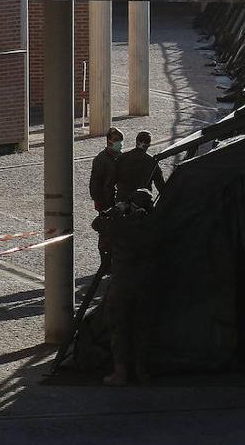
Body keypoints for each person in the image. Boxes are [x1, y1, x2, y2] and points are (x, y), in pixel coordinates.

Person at [92, 189, 155, 386]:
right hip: (146, 283)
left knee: (119, 326)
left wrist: (115, 210)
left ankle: (121, 373)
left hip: (123, 282)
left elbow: (97, 224)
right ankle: (142, 372)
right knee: (142, 328)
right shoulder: (153, 223)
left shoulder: (122, 224)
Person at [113, 131, 166, 205]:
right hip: (141, 201)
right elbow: (160, 185)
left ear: (136, 142)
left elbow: (111, 179)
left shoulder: (122, 157)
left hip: (122, 200)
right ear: (149, 145)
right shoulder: (151, 162)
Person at [89, 127, 124, 213]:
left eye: (121, 140)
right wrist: (99, 202)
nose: (119, 143)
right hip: (105, 202)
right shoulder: (101, 159)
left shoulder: (123, 157)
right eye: (116, 140)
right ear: (109, 141)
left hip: (119, 201)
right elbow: (95, 183)